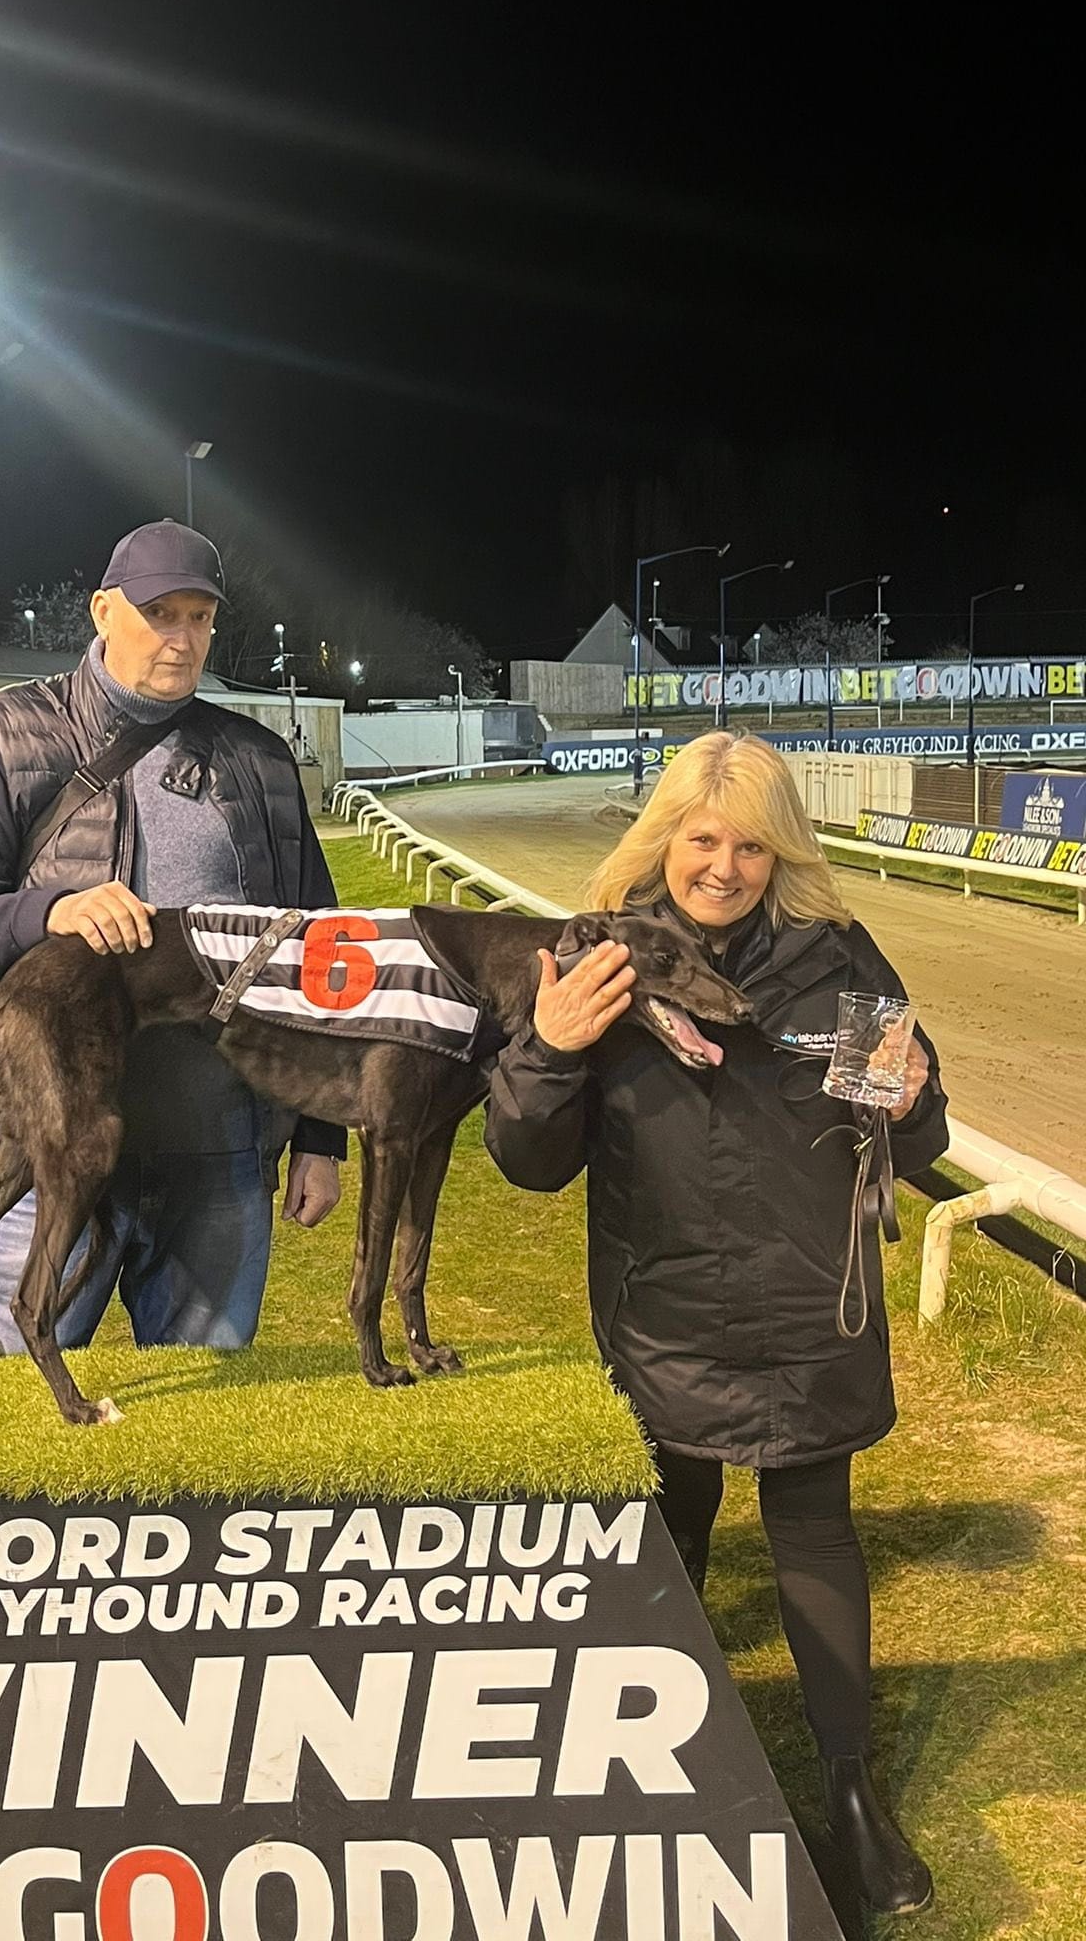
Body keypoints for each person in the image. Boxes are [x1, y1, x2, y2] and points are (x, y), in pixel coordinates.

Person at [484, 731, 945, 1919]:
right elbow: (527, 1159)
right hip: (665, 1311)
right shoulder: (601, 953)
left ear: (782, 851)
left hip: (810, 1306)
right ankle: (657, 1773)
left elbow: (916, 1135)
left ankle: (852, 1794)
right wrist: (551, 1047)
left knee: (815, 1528)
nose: (724, 868)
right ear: (664, 839)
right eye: (702, 839)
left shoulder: (837, 958)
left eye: (751, 845)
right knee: (670, 1533)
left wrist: (911, 1098)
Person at [0, 518, 345, 1354]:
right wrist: (48, 913)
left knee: (198, 1424)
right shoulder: (9, 731)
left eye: (200, 617)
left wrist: (321, 1137)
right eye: (160, 614)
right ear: (103, 611)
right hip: (49, 1153)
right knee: (17, 1410)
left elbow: (317, 952)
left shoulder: (259, 760)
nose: (183, 638)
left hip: (218, 1158)